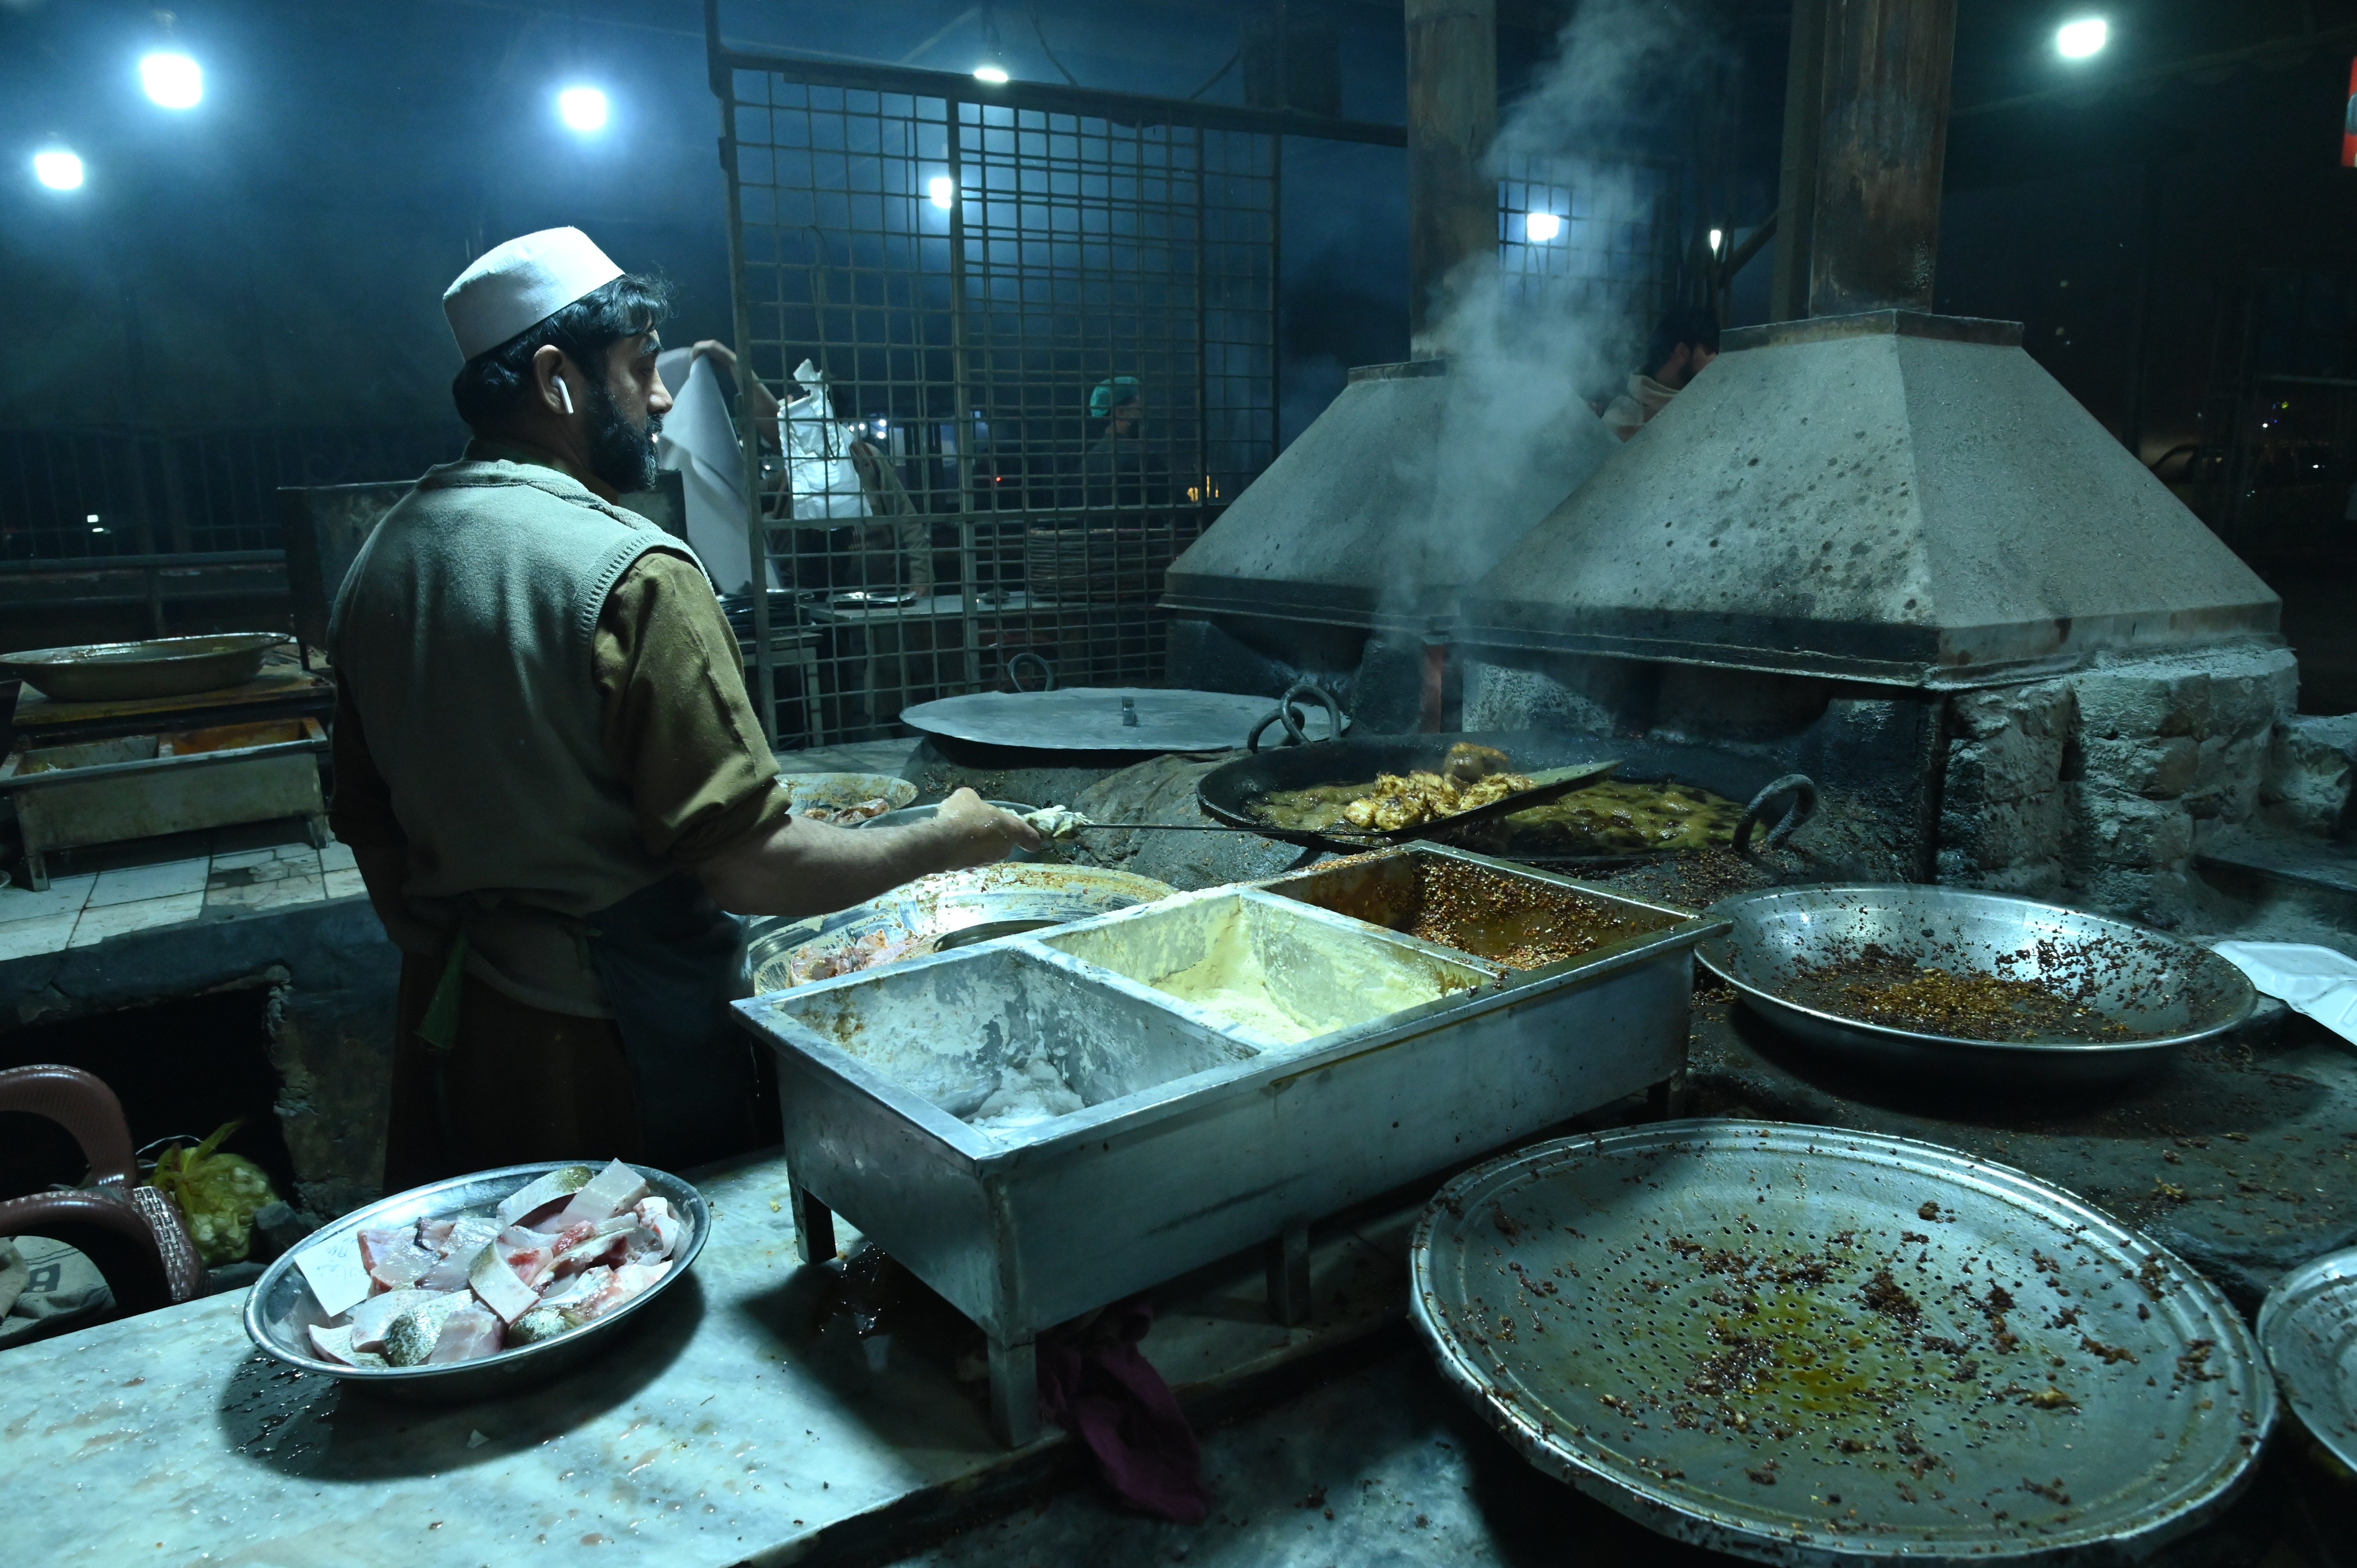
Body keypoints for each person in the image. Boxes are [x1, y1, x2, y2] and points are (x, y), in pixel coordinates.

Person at [328, 227, 1038, 1186]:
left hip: (456, 1027)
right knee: (641, 1276)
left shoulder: (384, 558)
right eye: (638, 365)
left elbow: (371, 833)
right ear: (556, 378)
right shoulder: (629, 567)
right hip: (621, 1040)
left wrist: (488, 949)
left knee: (499, 1285)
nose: (661, 396)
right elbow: (750, 867)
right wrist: (947, 837)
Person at [1603, 307, 1719, 441]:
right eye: (1710, 350)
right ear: (1682, 352)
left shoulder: (1711, 411)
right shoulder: (1619, 421)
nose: (1716, 358)